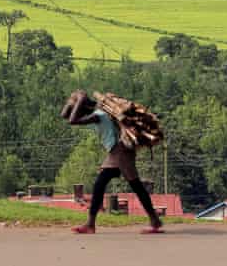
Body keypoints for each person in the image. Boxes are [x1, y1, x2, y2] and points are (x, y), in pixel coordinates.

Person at [62, 91, 164, 235]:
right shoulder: (95, 114)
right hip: (115, 152)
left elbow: (72, 121)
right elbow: (65, 115)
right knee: (102, 184)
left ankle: (154, 220)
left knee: (135, 185)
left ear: (83, 107)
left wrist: (80, 98)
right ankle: (90, 224)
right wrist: (75, 99)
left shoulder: (98, 116)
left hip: (120, 151)